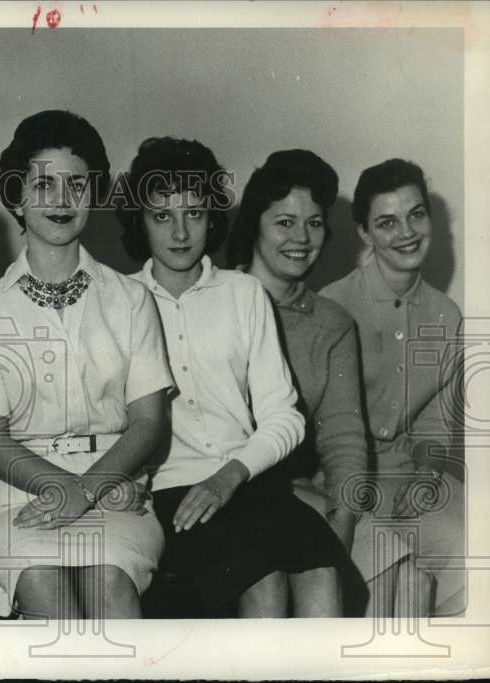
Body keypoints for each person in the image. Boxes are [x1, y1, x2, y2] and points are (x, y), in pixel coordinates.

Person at [119, 137, 345, 617]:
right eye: (162, 216)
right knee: (263, 582)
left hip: (249, 481)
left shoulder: (244, 293)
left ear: (213, 216)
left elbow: (284, 416)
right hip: (171, 495)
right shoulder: (119, 301)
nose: (180, 232)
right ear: (140, 221)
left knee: (322, 573)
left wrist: (229, 476)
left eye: (194, 214)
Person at [0, 110, 173, 619]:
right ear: (16, 195)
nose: (61, 201)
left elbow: (148, 425)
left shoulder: (130, 300)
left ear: (94, 194)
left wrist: (87, 490)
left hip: (115, 491)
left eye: (76, 185)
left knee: (110, 588)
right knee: (48, 595)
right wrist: (64, 491)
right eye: (43, 185)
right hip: (20, 500)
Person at [227, 149, 411, 615]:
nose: (301, 238)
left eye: (313, 223)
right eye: (285, 222)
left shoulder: (331, 323)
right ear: (255, 224)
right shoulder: (216, 300)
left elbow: (345, 439)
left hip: (301, 491)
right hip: (224, 488)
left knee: (398, 565)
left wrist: (343, 518)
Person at [319, 158, 465, 617]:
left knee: (470, 547)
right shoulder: (333, 306)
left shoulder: (445, 313)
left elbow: (436, 416)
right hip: (337, 481)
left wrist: (425, 473)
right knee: (393, 570)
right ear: (364, 233)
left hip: (414, 473)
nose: (406, 232)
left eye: (416, 214)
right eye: (387, 222)